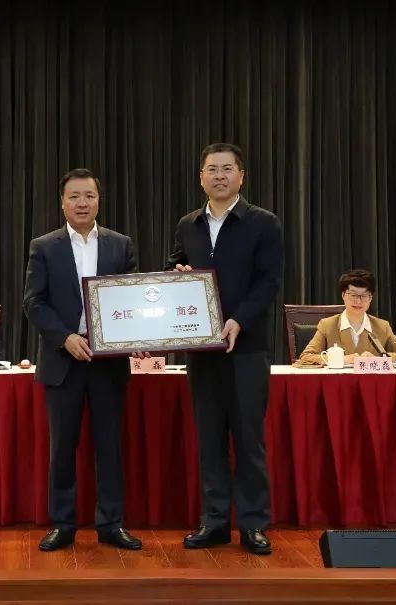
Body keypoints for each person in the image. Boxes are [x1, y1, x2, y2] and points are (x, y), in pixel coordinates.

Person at [165, 143, 283, 555]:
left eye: (227, 169)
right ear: (201, 177)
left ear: (241, 176)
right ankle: (214, 521)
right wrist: (176, 273)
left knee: (248, 439)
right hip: (202, 351)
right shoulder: (189, 224)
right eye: (212, 169)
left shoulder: (263, 223)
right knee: (209, 439)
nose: (219, 176)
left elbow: (269, 281)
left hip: (246, 349)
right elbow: (174, 266)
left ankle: (253, 524)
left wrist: (239, 320)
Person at [23, 168, 141, 552]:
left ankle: (111, 524)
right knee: (62, 448)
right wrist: (65, 337)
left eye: (89, 196)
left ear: (99, 200)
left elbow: (131, 298)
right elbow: (33, 302)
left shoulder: (120, 245)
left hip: (108, 362)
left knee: (109, 447)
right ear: (62, 202)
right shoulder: (44, 246)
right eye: (74, 196)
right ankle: (63, 524)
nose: (82, 203)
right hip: (63, 361)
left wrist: (138, 335)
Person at [297, 269, 396, 366]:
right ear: (343, 295)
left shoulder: (382, 326)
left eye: (364, 296)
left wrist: (380, 359)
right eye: (353, 295)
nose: (358, 301)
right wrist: (342, 360)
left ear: (370, 298)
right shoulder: (327, 325)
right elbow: (305, 357)